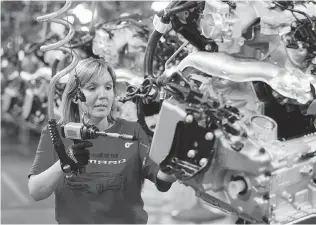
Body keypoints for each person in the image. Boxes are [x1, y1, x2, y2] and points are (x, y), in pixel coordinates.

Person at [28, 57, 176, 224]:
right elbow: (36, 191)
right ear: (75, 96)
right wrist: (64, 163)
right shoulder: (56, 133)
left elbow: (163, 178)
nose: (103, 95)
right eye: (92, 88)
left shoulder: (133, 131)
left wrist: (179, 152)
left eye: (108, 87)